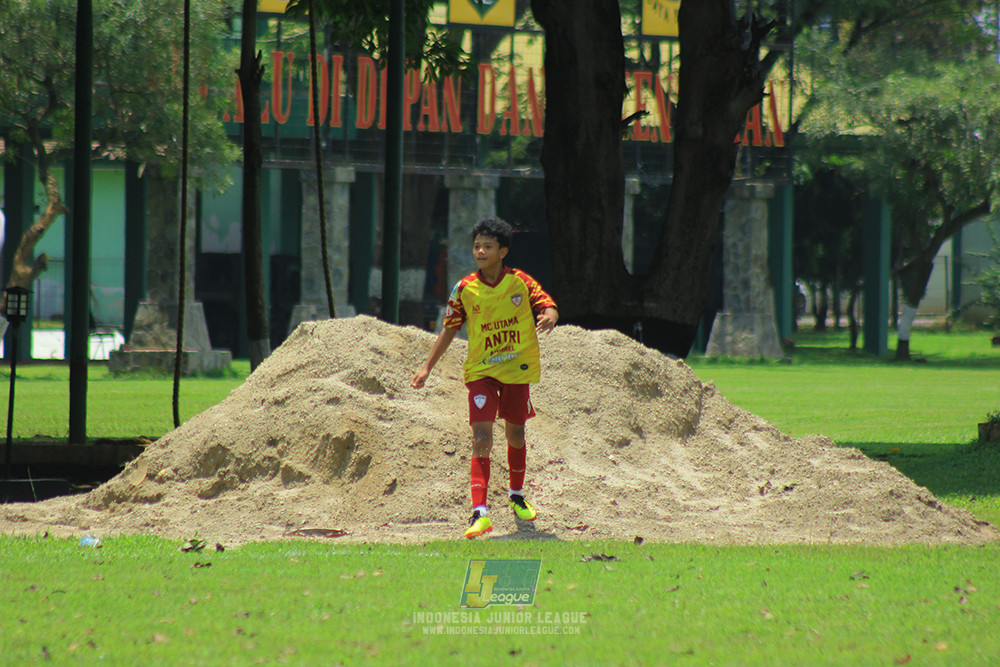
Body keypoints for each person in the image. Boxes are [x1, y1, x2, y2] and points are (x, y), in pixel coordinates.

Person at [411, 217, 558, 539]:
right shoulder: (464, 289)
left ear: (503, 251)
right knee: (481, 436)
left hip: (516, 370)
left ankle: (516, 496)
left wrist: (549, 314)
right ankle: (480, 513)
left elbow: (547, 304)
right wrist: (427, 367)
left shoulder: (520, 282)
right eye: (477, 246)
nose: (480, 251)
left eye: (487, 247)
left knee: (516, 435)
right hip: (481, 372)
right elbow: (450, 327)